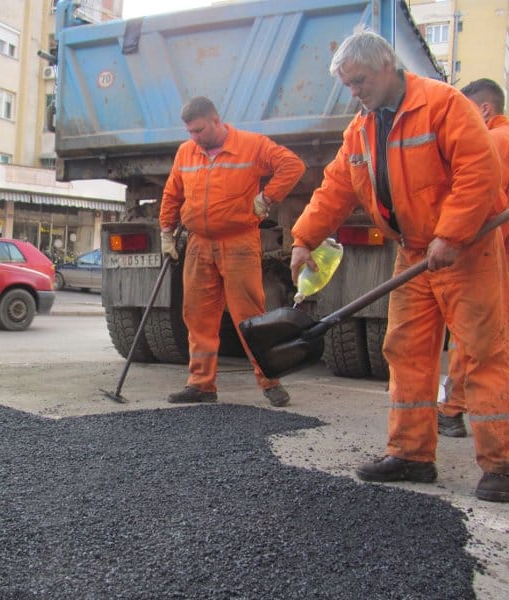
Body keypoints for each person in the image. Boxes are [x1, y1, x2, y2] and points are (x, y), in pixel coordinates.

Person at [290, 31, 509, 502]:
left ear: (387, 67)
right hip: (413, 252)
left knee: (483, 352)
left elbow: (480, 170)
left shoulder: (444, 105)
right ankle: (411, 455)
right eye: (348, 85)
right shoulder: (364, 126)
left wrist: (451, 234)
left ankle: (502, 465)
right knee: (406, 349)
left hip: (466, 251)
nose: (356, 92)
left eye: (360, 81)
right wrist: (304, 238)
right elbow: (336, 185)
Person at [159, 96, 305, 406]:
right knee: (197, 315)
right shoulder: (187, 152)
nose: (194, 138)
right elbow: (173, 192)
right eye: (189, 132)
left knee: (249, 316)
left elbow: (292, 166)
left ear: (215, 120)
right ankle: (201, 385)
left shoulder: (251, 145)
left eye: (199, 130)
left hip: (239, 241)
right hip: (198, 243)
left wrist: (267, 198)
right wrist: (166, 232)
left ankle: (270, 382)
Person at [437, 77, 509, 438]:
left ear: (483, 109)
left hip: (493, 258)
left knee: (476, 340)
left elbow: (490, 207)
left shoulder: (494, 141)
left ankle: (451, 410)